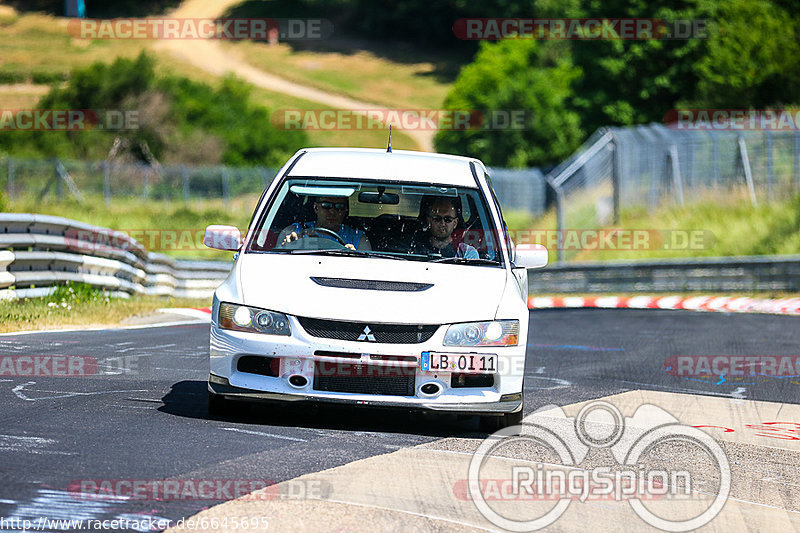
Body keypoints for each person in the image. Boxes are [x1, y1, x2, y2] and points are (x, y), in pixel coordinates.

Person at [277, 196, 371, 251]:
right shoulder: (294, 232)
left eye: (339, 207)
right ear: (316, 208)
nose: (332, 212)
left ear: (345, 210)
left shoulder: (358, 239)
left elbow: (367, 270)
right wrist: (286, 247)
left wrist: (355, 258)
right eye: (326, 206)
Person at [411, 196, 479, 258]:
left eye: (448, 219)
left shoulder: (466, 253)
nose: (442, 223)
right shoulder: (413, 248)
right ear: (428, 220)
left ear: (455, 223)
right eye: (437, 219)